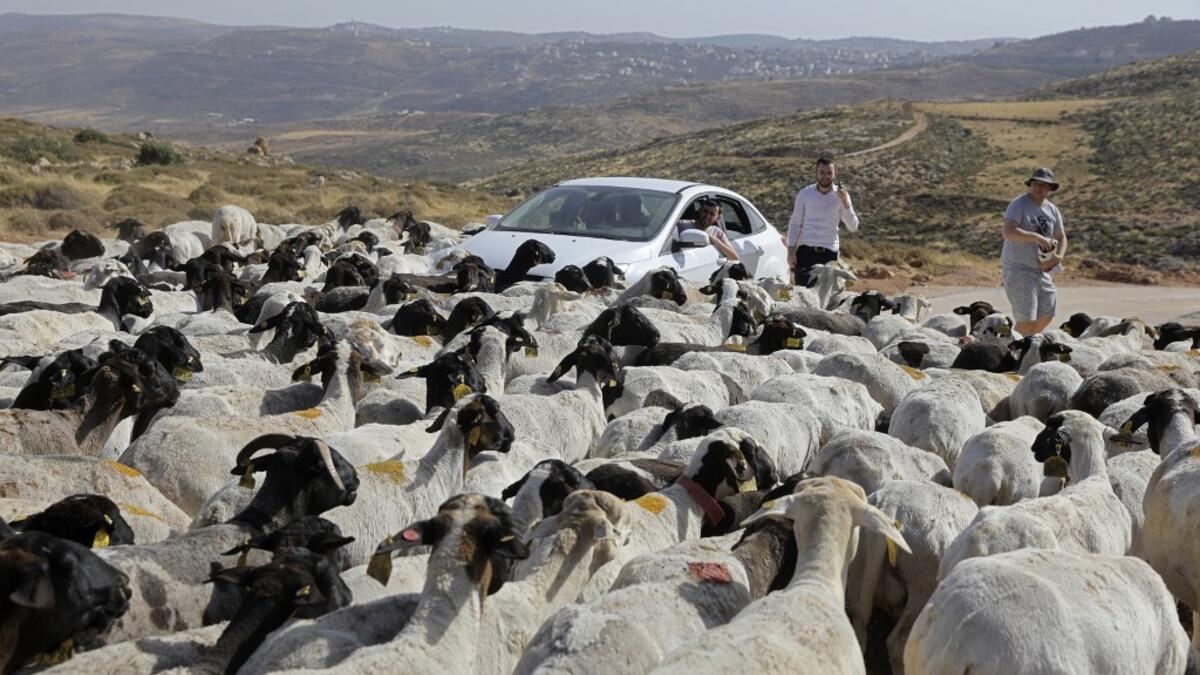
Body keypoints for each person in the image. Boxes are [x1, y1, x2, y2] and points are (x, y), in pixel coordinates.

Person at [1001, 167, 1068, 336]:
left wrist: (1058, 257)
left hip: (1042, 271)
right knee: (1026, 319)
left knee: (1047, 314)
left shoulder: (1052, 210)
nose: (1039, 188)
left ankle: (1025, 342)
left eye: (1044, 185)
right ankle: (1012, 349)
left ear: (1050, 189)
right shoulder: (1019, 204)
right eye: (1036, 184)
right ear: (1030, 185)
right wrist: (1037, 238)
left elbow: (1061, 237)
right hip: (1019, 269)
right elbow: (1008, 232)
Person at [785, 156, 859, 287]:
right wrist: (791, 251)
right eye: (822, 172)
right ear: (816, 173)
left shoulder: (841, 195)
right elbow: (795, 223)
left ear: (835, 174)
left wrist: (846, 204)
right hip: (805, 253)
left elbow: (853, 226)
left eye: (829, 173)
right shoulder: (805, 194)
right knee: (802, 295)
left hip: (829, 255)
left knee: (826, 298)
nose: (825, 176)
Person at [679, 197, 739, 261]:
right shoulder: (682, 225)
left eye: (712, 214)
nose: (707, 216)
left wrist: (715, 240)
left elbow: (735, 257)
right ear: (700, 210)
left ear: (718, 217)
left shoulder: (717, 232)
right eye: (705, 211)